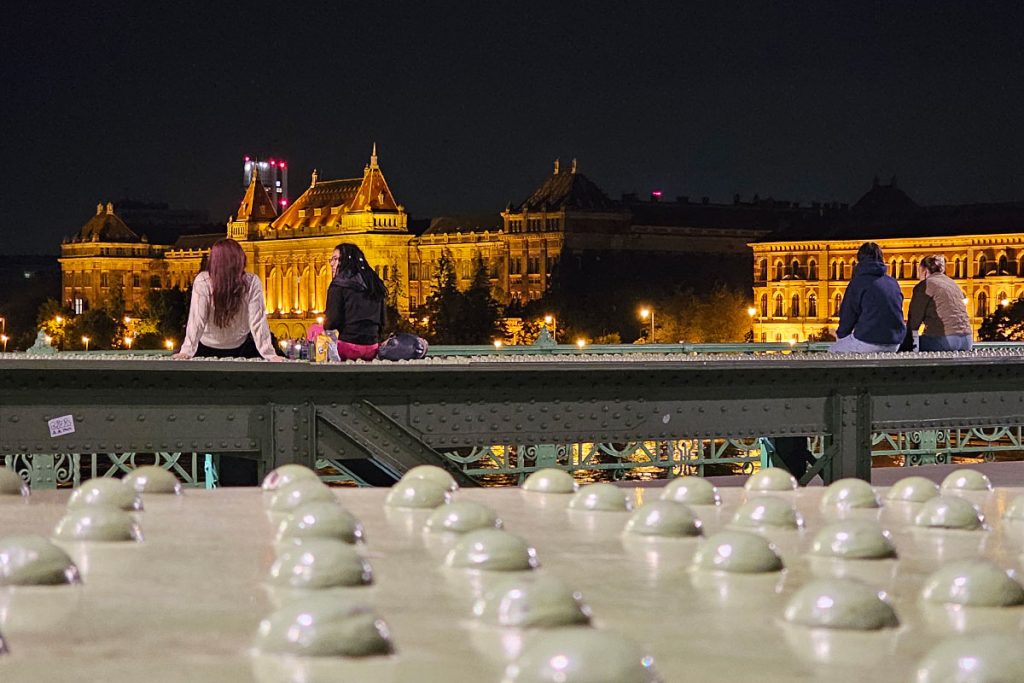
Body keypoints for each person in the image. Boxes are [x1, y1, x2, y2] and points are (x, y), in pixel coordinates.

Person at [173, 238, 282, 361]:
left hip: (205, 346)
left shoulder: (202, 280)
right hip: (240, 346)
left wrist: (187, 351)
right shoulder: (252, 281)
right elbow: (257, 320)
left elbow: (197, 320)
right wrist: (270, 354)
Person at [832, 242, 906, 353]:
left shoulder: (858, 282)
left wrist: (841, 336)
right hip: (895, 343)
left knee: (833, 351)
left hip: (868, 340)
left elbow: (848, 314)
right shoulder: (893, 282)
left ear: (860, 260)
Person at [324, 243, 386, 361]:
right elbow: (383, 320)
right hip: (372, 347)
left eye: (336, 259)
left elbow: (332, 321)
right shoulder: (374, 283)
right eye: (331, 259)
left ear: (346, 261)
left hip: (348, 346)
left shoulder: (339, 284)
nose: (331, 263)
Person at [906, 255, 973, 352]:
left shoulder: (925, 285)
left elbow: (914, 321)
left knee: (906, 347)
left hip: (944, 340)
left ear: (924, 271)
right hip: (967, 340)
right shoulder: (953, 284)